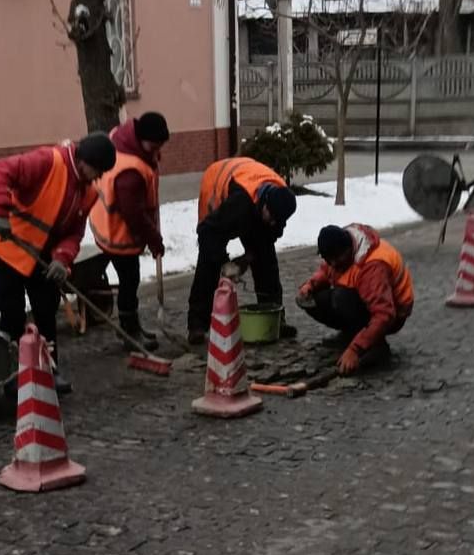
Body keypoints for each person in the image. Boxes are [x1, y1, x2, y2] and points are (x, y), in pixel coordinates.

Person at [0, 133, 117, 392]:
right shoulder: (48, 162)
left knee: (46, 311)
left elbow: (74, 233)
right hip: (6, 249)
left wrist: (62, 258)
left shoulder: (88, 192)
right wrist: (0, 213)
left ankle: (49, 369)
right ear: (84, 161)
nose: (99, 177)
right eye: (98, 170)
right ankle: (14, 375)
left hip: (41, 256)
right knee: (12, 313)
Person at [187, 157, 298, 345]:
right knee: (208, 262)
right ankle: (197, 325)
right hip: (216, 185)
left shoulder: (279, 205)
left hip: (247, 183)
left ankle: (274, 318)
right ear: (264, 204)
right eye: (271, 217)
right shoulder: (240, 204)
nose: (273, 222)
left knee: (266, 262)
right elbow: (207, 233)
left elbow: (267, 238)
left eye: (277, 221)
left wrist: (249, 257)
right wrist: (225, 263)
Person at [89, 112, 170, 350]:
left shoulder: (123, 139)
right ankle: (129, 332)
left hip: (109, 223)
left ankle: (131, 327)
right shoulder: (130, 173)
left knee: (128, 279)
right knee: (129, 281)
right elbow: (134, 215)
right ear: (142, 139)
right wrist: (154, 239)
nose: (157, 151)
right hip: (118, 232)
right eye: (154, 146)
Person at [296, 224, 414, 375]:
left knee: (341, 298)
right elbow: (326, 270)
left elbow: (384, 315)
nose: (333, 264)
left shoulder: (373, 266)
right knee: (315, 299)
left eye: (337, 258)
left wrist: (355, 349)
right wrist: (310, 285)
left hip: (393, 314)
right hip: (363, 301)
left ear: (348, 249)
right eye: (329, 259)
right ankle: (353, 333)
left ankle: (376, 344)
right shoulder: (341, 248)